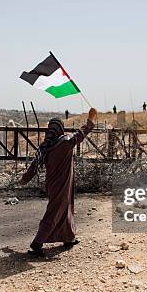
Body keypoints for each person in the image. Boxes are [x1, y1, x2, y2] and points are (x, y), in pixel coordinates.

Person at [20, 107, 97, 257]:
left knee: (65, 209)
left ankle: (68, 238)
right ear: (60, 129)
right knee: (54, 213)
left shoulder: (45, 147)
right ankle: (37, 243)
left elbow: (34, 165)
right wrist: (91, 119)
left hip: (54, 185)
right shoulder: (64, 143)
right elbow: (81, 134)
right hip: (61, 185)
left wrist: (24, 179)